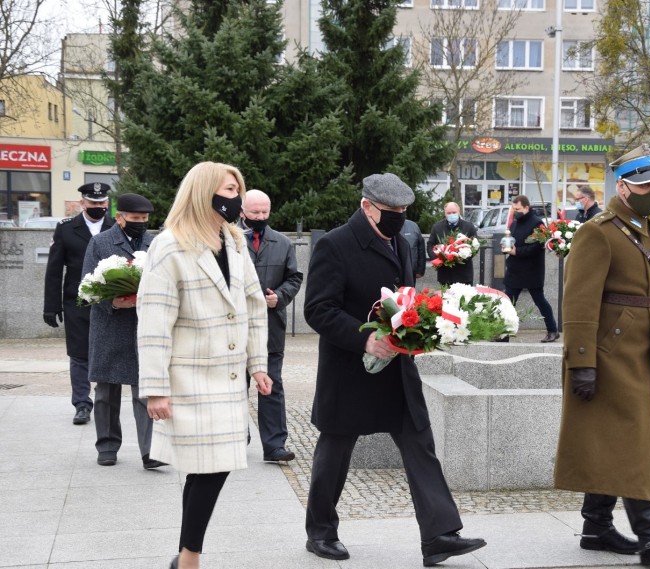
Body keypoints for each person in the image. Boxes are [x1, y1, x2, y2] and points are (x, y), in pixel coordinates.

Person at [303, 173, 486, 566]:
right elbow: (318, 309)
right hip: (350, 368)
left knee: (419, 442)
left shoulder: (402, 243)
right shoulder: (335, 245)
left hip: (397, 368)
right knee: (336, 449)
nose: (399, 218)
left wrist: (422, 327)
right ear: (367, 206)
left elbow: (404, 297)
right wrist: (365, 339)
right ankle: (320, 531)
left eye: (404, 211)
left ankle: (438, 535)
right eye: (392, 211)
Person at [555, 144, 650, 565]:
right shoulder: (597, 231)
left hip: (648, 352)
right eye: (645, 184)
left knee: (615, 439)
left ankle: (596, 526)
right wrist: (582, 362)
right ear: (623, 186)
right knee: (634, 440)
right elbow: (578, 303)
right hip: (610, 354)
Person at [137, 162, 273, 569]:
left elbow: (252, 306)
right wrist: (156, 387)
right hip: (190, 378)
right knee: (212, 466)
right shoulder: (170, 246)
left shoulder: (233, 240)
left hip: (229, 376)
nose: (235, 198)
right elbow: (154, 322)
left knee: (207, 467)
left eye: (237, 190)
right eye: (229, 189)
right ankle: (190, 557)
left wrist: (258, 365)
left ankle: (184, 556)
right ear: (203, 192)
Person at [83, 192, 166, 469]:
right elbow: (86, 288)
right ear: (120, 218)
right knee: (106, 391)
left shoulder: (155, 243)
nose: (140, 223)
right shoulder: (100, 242)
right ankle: (107, 446)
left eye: (144, 219)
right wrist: (113, 302)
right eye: (135, 219)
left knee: (145, 389)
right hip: (110, 326)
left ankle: (150, 451)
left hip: (144, 326)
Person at [238, 189, 303, 462]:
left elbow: (294, 277)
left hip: (270, 326)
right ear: (242, 212)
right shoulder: (226, 240)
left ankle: (274, 445)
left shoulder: (282, 242)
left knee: (271, 384)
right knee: (235, 385)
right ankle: (237, 435)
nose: (260, 217)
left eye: (265, 212)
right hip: (235, 327)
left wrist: (280, 297)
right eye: (255, 213)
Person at [43, 182, 115, 425]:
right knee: (79, 354)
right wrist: (51, 306)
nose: (98, 207)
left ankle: (108, 402)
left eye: (101, 203)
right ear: (82, 203)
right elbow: (54, 270)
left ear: (107, 203)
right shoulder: (65, 229)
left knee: (108, 352)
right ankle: (82, 404)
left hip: (110, 301)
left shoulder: (115, 227)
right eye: (93, 203)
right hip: (77, 302)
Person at [504, 195, 559, 343]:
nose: (515, 212)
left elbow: (537, 247)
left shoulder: (537, 223)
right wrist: (507, 248)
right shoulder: (514, 223)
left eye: (518, 209)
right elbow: (511, 240)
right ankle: (504, 332)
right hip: (515, 269)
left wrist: (517, 251)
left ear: (527, 208)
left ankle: (552, 330)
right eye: (513, 209)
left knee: (540, 301)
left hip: (531, 270)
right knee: (508, 302)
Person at [427, 201, 479, 286]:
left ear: (459, 212)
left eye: (454, 212)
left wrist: (462, 257)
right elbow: (430, 245)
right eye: (449, 213)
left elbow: (475, 246)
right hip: (445, 274)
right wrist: (438, 259)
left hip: (464, 274)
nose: (451, 215)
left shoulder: (469, 226)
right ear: (445, 213)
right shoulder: (437, 227)